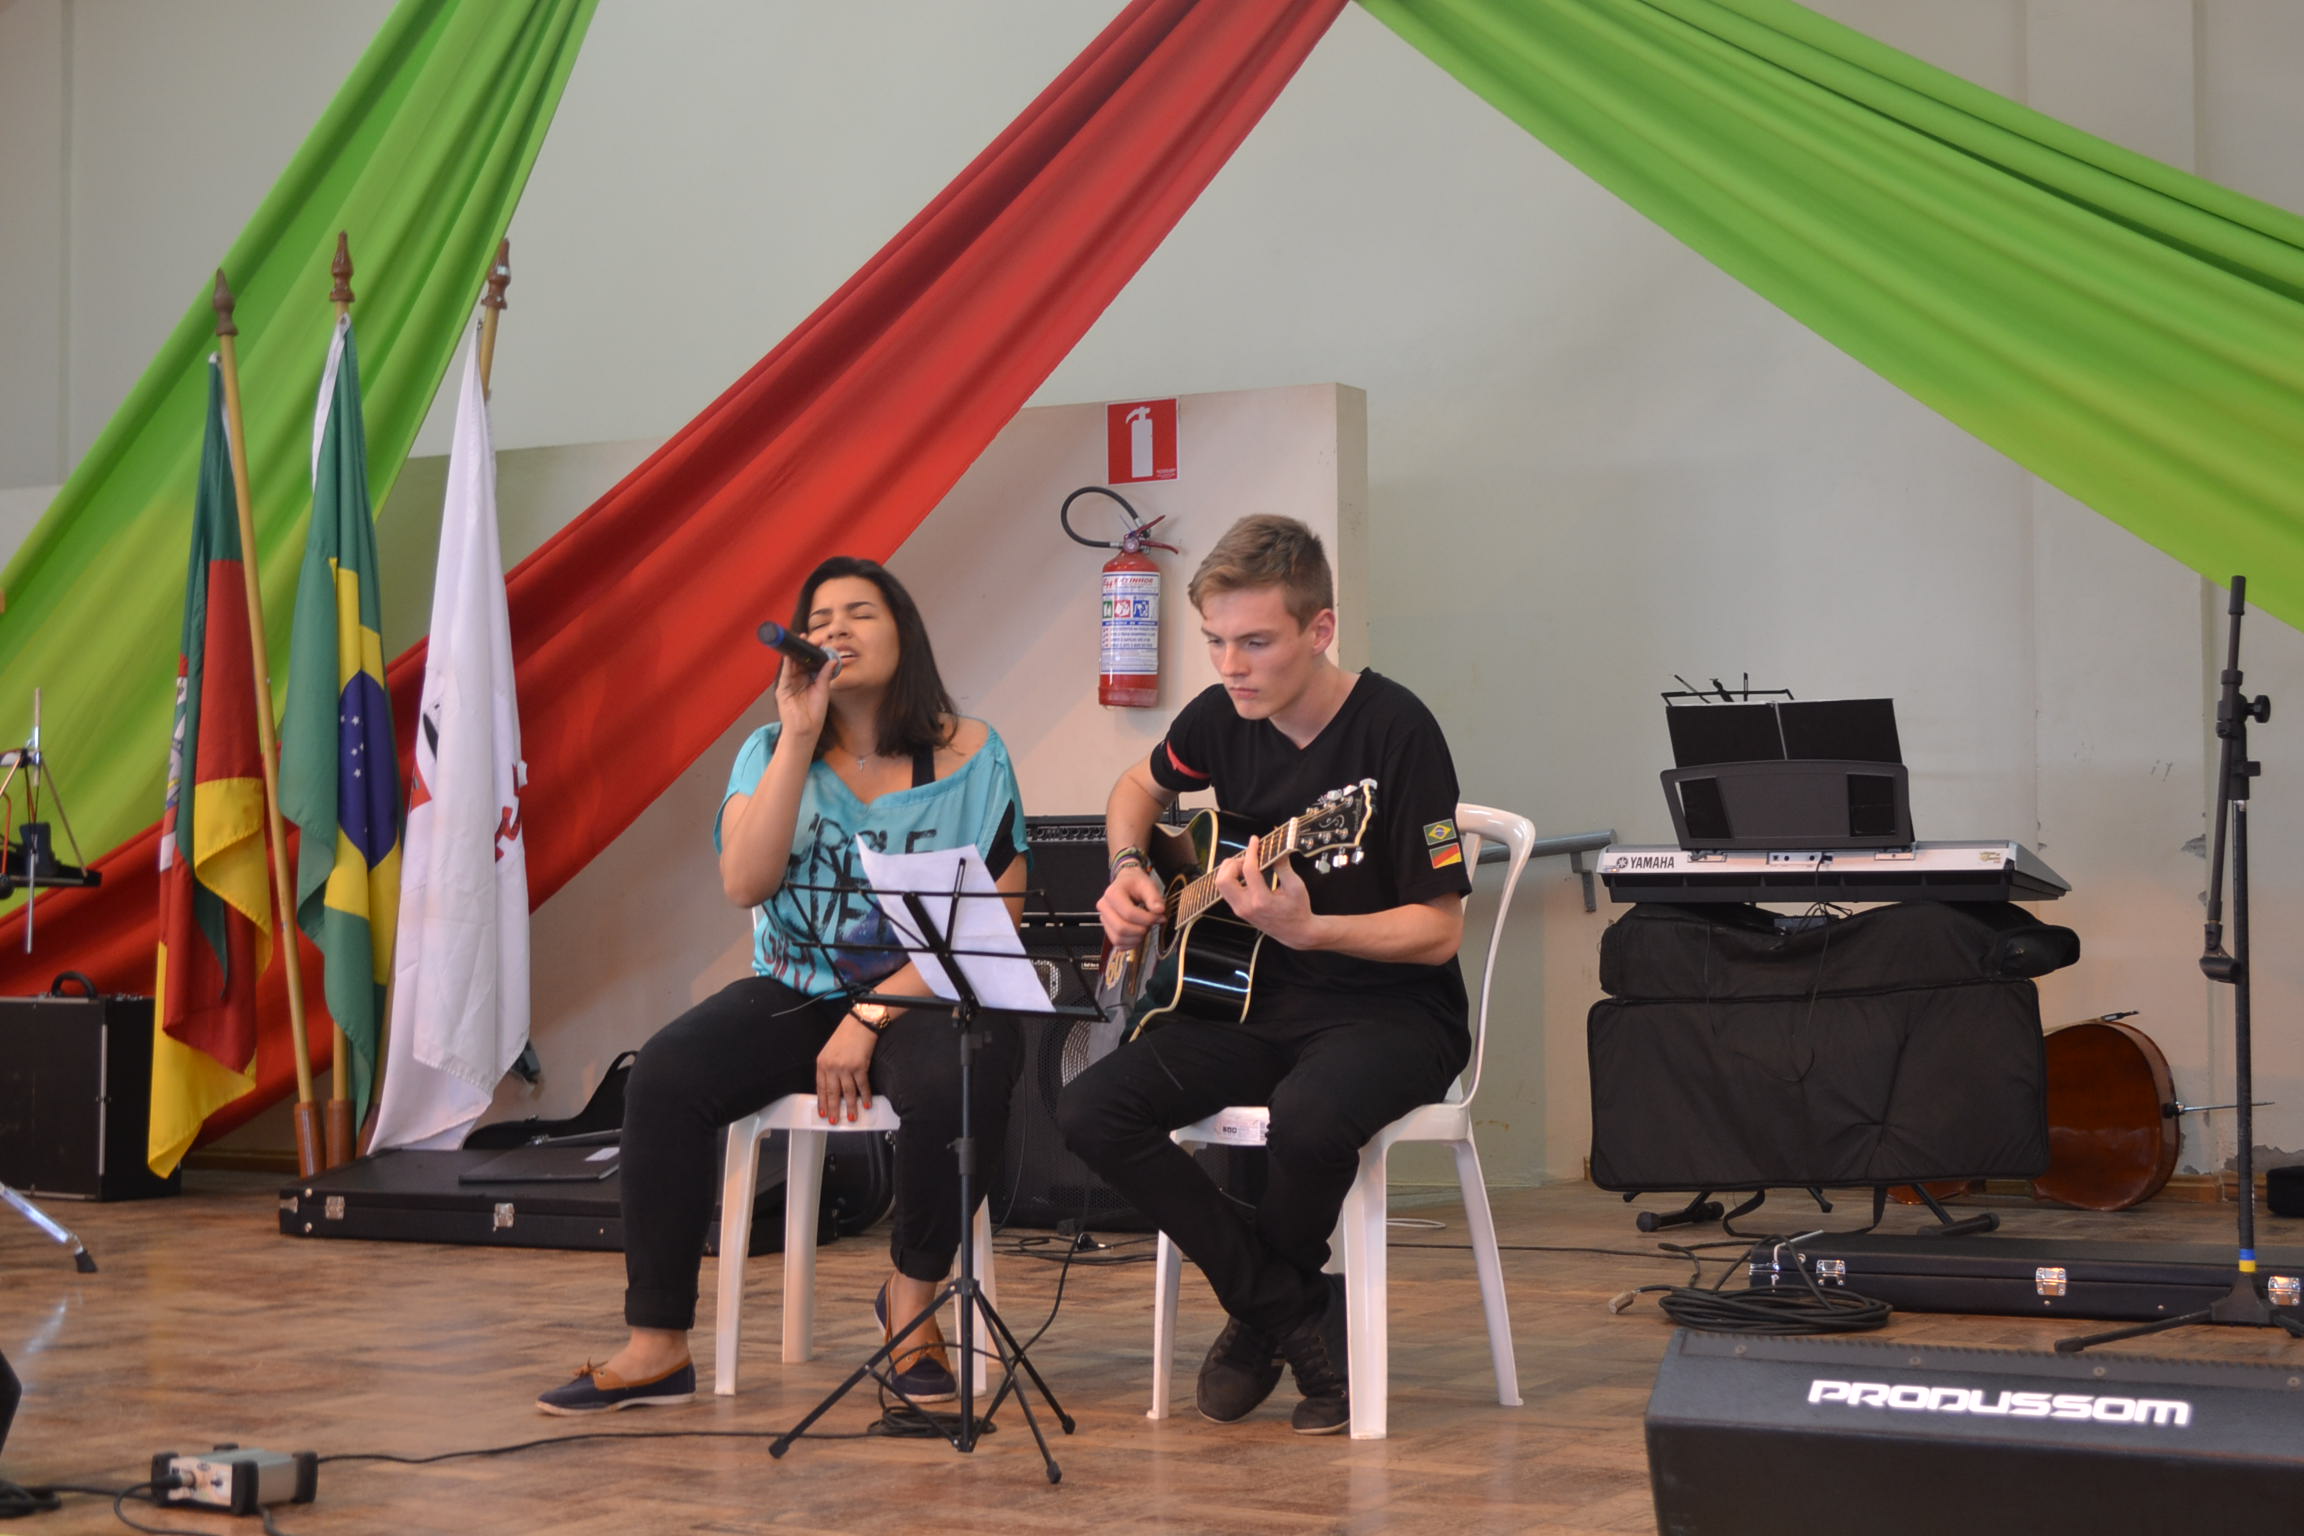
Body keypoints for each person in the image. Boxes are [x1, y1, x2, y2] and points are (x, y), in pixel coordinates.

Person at [538, 557, 1027, 1414]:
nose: (836, 628)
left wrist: (869, 1018)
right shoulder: (767, 751)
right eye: (820, 617)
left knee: (968, 1068)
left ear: (904, 634)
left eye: (860, 612)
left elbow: (997, 918)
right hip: (795, 988)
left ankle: (910, 1304)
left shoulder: (972, 754)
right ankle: (657, 1346)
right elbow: (745, 884)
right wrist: (798, 736)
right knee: (666, 1074)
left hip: (922, 991)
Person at [1057, 515, 1472, 1436]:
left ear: (1320, 630)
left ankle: (1259, 1324)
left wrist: (1313, 928)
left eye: (1255, 642)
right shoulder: (1220, 718)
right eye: (1215, 641)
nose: (1231, 666)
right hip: (1247, 1003)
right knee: (1090, 1109)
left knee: (1310, 1118)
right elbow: (1136, 789)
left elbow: (1440, 932)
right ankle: (1293, 1309)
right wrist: (1128, 868)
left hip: (1392, 1014)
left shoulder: (1397, 730)